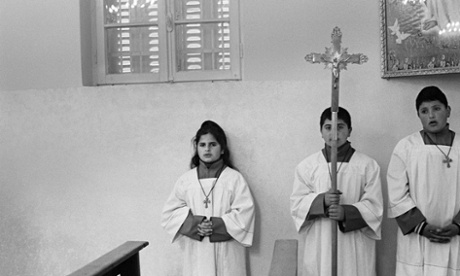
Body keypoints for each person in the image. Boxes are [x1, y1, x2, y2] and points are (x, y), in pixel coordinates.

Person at [290, 107, 383, 276]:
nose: (334, 133)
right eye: (328, 127)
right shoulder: (307, 166)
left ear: (349, 131)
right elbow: (297, 205)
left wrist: (346, 213)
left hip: (354, 243)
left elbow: (375, 207)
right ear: (321, 131)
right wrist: (322, 201)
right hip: (320, 241)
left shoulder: (368, 165)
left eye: (340, 127)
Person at [161, 120, 255, 276]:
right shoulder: (186, 181)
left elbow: (244, 213)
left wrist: (215, 225)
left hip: (227, 251)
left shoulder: (234, 179)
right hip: (196, 250)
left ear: (223, 149)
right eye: (202, 145)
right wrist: (195, 224)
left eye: (213, 144)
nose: (207, 149)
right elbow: (170, 214)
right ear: (196, 148)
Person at [387, 86, 460, 276]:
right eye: (424, 111)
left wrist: (458, 225)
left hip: (456, 238)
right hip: (417, 240)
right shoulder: (406, 147)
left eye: (437, 108)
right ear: (418, 115)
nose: (431, 116)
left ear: (448, 111)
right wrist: (421, 227)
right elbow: (396, 194)